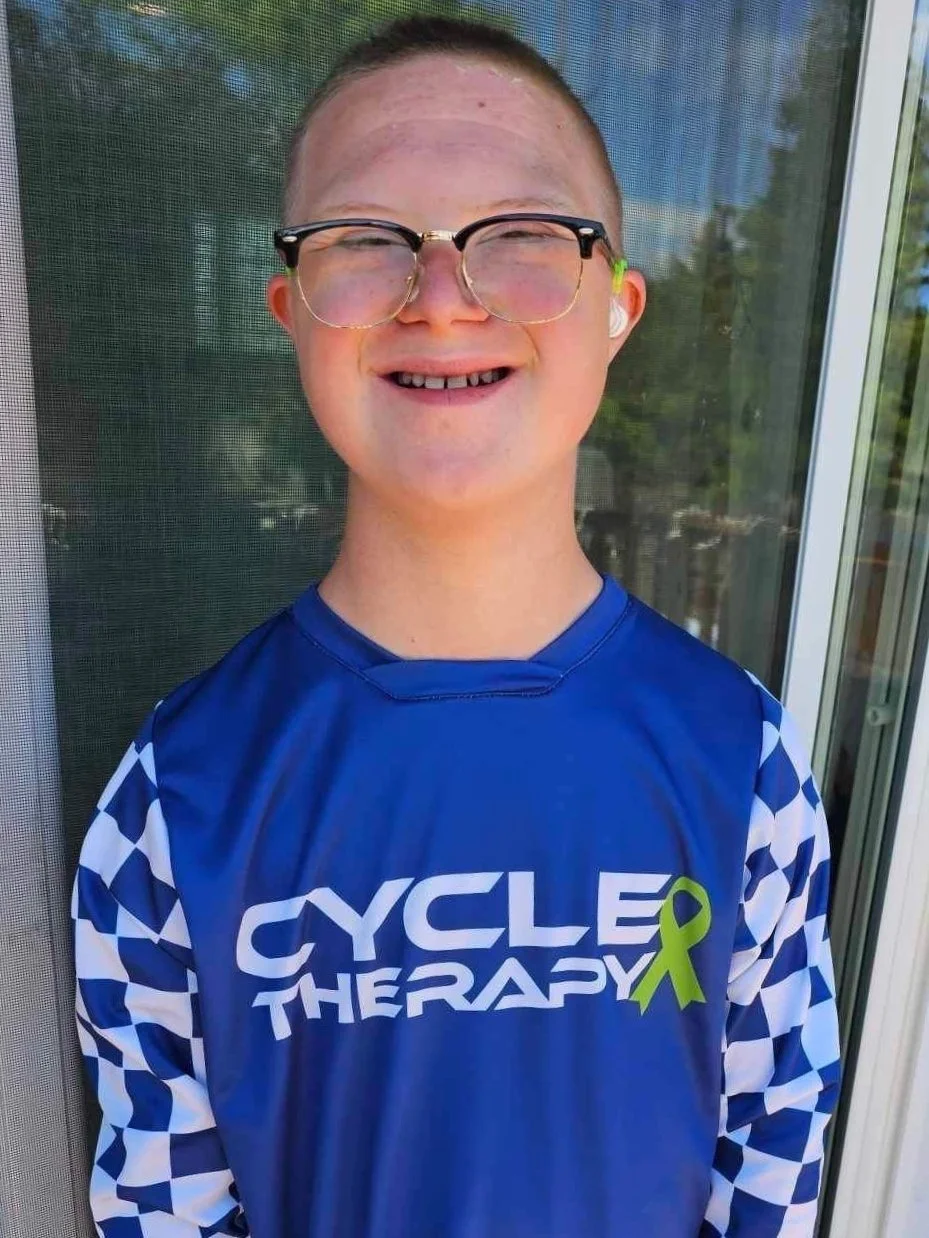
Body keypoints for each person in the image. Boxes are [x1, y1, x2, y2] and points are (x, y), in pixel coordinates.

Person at [72, 15, 841, 1238]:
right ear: (290, 309)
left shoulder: (741, 761)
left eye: (525, 237)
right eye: (367, 241)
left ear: (616, 309)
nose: (440, 297)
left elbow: (771, 1174)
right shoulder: (177, 798)